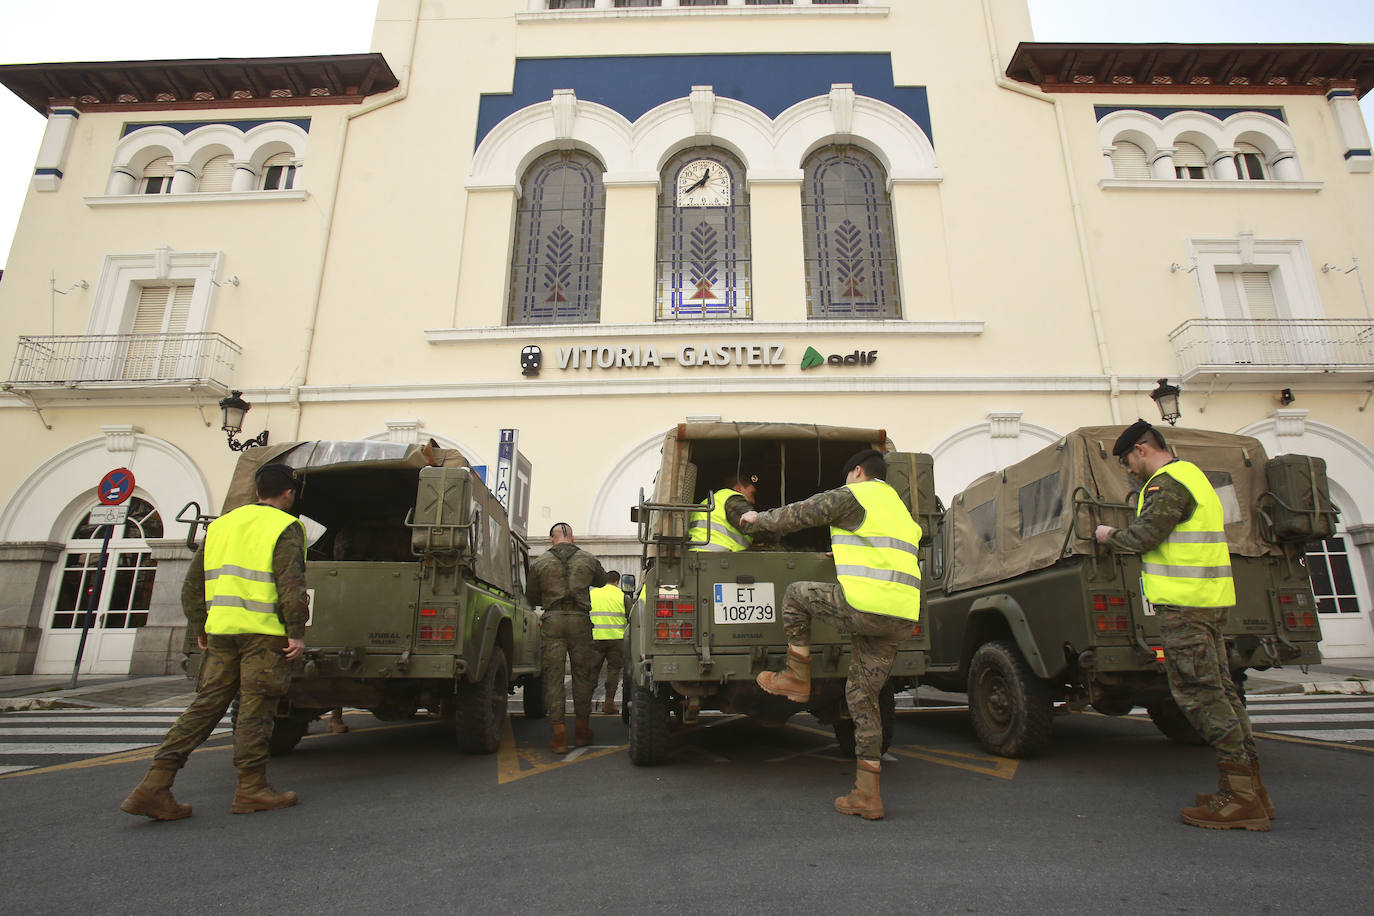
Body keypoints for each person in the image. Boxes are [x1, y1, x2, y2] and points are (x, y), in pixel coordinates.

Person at [1095, 419, 1271, 832]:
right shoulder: (1195, 476)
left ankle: (1241, 799)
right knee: (1223, 692)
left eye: (1126, 461)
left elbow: (1145, 537)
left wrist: (1108, 535)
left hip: (1186, 608)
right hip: (1207, 604)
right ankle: (1251, 790)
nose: (1128, 470)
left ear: (1141, 450)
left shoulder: (1166, 483)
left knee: (1199, 695)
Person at [740, 448, 921, 821]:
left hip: (864, 605)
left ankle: (796, 675)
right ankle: (867, 795)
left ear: (856, 472)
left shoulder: (853, 496)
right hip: (900, 616)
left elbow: (797, 515)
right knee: (861, 695)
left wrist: (756, 520)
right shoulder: (901, 512)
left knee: (796, 595)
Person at [120, 462, 308, 820]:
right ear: (288, 493)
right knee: (256, 708)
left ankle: (154, 785)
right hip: (263, 634)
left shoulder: (221, 525)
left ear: (256, 492)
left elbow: (192, 585)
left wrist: (200, 626)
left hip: (222, 632)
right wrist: (296, 632)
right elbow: (291, 585)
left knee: (205, 707)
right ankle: (251, 789)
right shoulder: (286, 526)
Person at [527, 522, 607, 753]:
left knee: (554, 678)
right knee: (583, 676)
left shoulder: (540, 562)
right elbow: (601, 581)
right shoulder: (588, 559)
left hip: (552, 621)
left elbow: (531, 597)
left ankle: (559, 736)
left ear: (552, 539)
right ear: (572, 538)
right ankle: (582, 732)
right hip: (580, 621)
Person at [588, 570, 630, 715]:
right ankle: (608, 704)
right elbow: (630, 617)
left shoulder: (592, 594)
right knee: (613, 671)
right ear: (617, 582)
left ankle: (585, 705)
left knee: (591, 671)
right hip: (616, 640)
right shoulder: (622, 596)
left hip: (595, 638)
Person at [688, 472, 758, 552]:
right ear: (738, 488)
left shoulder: (708, 502)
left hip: (697, 553)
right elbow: (753, 526)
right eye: (752, 494)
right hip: (718, 556)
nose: (753, 500)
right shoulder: (732, 498)